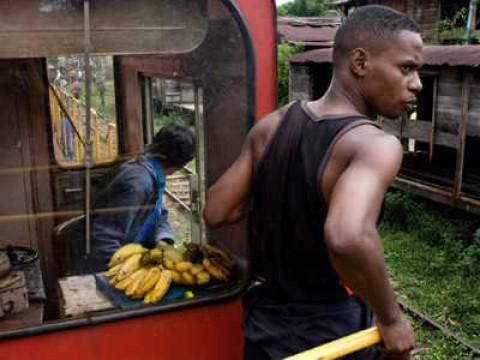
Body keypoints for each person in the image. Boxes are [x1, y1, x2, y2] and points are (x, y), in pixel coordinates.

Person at [203, 5, 422, 360]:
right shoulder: (375, 145)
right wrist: (391, 318)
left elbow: (217, 210)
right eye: (407, 67)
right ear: (360, 63)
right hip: (330, 332)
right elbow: (347, 236)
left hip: (264, 325)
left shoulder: (272, 126)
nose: (417, 83)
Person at [71, 123, 195, 274]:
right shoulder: (138, 184)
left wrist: (162, 240)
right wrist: (131, 271)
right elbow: (104, 239)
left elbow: (159, 214)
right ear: (181, 165)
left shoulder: (154, 174)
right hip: (102, 268)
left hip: (129, 253)